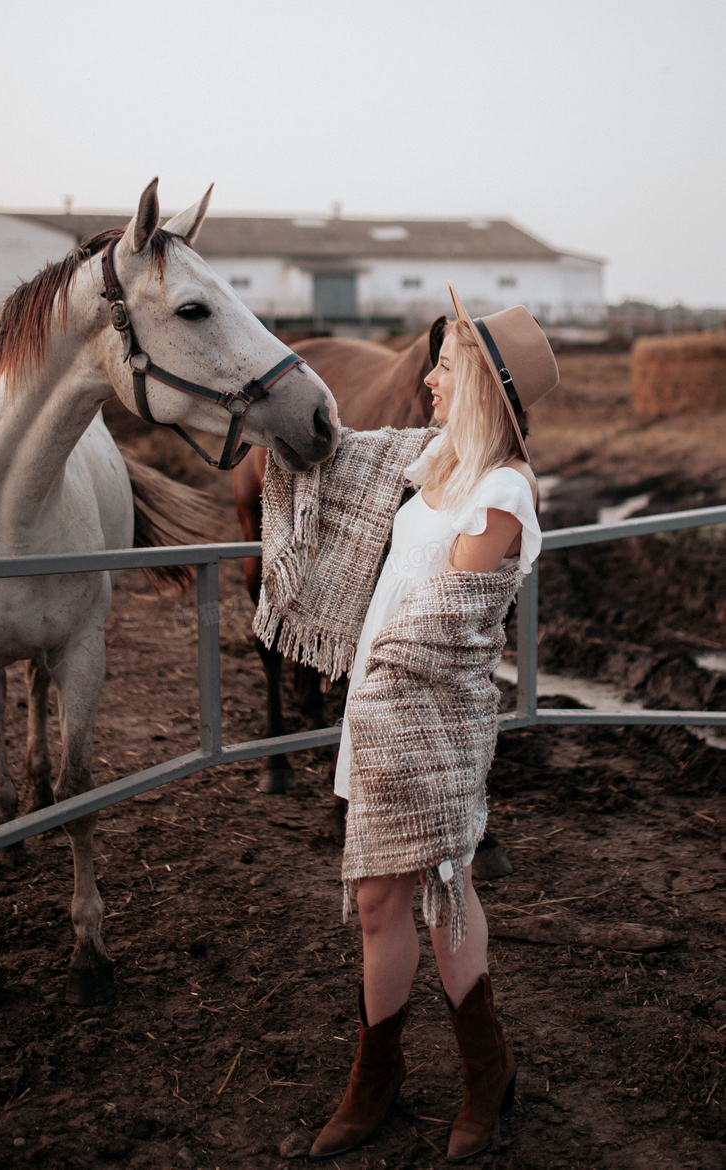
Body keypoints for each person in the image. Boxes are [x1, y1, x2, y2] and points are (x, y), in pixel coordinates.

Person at [308, 285, 560, 1162]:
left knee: (444, 888)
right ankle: (378, 1077)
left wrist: (378, 680)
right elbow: (344, 458)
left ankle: (482, 1074)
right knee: (383, 899)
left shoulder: (501, 489)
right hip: (377, 715)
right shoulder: (438, 464)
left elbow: (451, 620)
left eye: (446, 367)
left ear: (488, 386)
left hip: (431, 722)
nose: (429, 380)